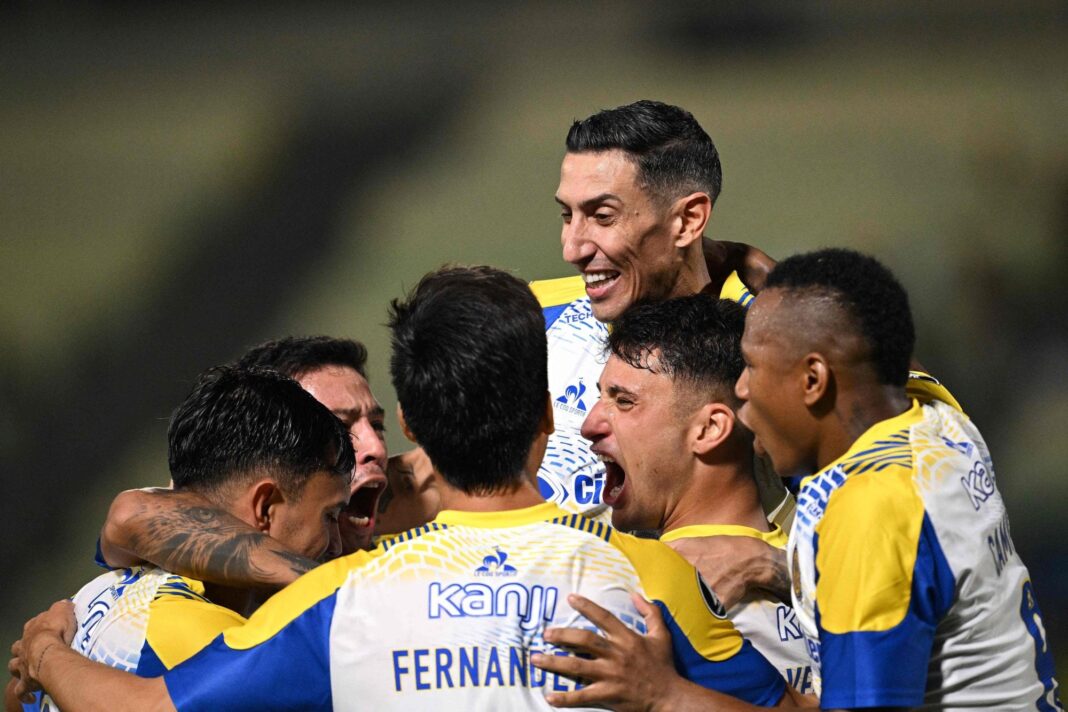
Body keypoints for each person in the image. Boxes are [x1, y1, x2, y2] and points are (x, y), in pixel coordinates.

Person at [10, 266, 798, 711]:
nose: (357, 449)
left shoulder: (337, 605)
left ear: (411, 427)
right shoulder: (652, 577)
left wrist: (45, 651)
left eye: (369, 422)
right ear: (550, 415)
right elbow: (133, 516)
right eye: (332, 432)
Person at [534, 248, 1062, 711]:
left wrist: (663, 696)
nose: (742, 392)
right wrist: (758, 267)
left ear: (813, 380)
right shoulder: (939, 423)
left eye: (754, 369)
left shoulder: (867, 514)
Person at [8, 366, 354, 712]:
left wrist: (44, 653)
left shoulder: (91, 599)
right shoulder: (221, 648)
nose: (337, 544)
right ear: (264, 506)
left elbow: (17, 697)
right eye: (330, 516)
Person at [531, 99, 786, 524]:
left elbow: (906, 445)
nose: (572, 248)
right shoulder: (530, 315)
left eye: (602, 216)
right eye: (567, 214)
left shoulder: (773, 345)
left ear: (687, 221)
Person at [579, 293, 813, 695]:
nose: (590, 424)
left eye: (624, 401)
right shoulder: (819, 560)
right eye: (600, 397)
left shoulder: (835, 551)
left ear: (708, 430)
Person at [94, 336, 389, 597]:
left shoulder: (394, 501)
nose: (376, 448)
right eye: (340, 429)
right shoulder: (191, 551)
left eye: (378, 426)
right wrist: (327, 590)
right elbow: (131, 515)